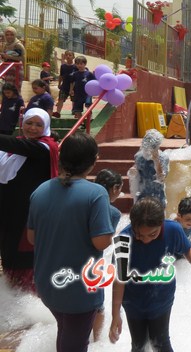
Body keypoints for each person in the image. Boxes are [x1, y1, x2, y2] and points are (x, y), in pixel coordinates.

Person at [27, 132, 114, 352]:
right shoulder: (96, 194)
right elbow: (101, 243)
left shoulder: (40, 190)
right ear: (94, 161)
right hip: (77, 287)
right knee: (75, 342)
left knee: (66, 331)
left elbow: (31, 238)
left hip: (47, 283)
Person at [109, 197, 191, 351]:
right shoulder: (123, 240)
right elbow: (119, 280)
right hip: (133, 302)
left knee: (161, 342)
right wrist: (116, 314)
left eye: (153, 234)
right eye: (140, 235)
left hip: (161, 298)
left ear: (161, 224)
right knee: (138, 345)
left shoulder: (173, 229)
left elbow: (187, 248)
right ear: (133, 225)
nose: (146, 240)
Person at [0, 107, 59, 291]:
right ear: (22, 124)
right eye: (29, 123)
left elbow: (16, 145)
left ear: (46, 126)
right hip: (7, 211)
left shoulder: (45, 148)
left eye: (38, 124)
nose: (33, 128)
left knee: (25, 257)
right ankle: (10, 297)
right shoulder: (13, 149)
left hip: (29, 214)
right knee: (8, 253)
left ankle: (29, 301)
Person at [91, 168, 124, 341]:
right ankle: (96, 342)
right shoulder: (112, 212)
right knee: (98, 308)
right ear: (115, 188)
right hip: (91, 265)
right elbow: (104, 241)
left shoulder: (83, 201)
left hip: (64, 261)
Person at [128, 129, 169, 207]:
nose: (147, 151)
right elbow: (136, 171)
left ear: (157, 147)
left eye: (150, 148)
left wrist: (156, 160)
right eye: (145, 148)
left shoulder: (163, 158)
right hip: (142, 197)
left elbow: (161, 179)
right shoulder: (139, 157)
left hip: (158, 197)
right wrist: (133, 172)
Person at [69, 56, 96, 120]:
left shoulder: (89, 74)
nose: (79, 65)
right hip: (78, 94)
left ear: (85, 64)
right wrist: (71, 90)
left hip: (87, 94)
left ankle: (89, 120)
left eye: (81, 64)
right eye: (77, 64)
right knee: (77, 110)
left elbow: (94, 82)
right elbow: (72, 82)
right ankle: (82, 122)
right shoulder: (75, 74)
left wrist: (93, 91)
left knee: (88, 106)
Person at [53, 50, 76, 118]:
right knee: (61, 99)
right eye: (67, 55)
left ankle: (74, 111)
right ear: (65, 56)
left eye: (70, 55)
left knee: (74, 99)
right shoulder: (63, 66)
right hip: (64, 85)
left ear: (73, 57)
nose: (68, 56)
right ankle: (58, 112)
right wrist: (59, 83)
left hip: (74, 85)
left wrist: (73, 88)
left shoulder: (75, 67)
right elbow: (61, 76)